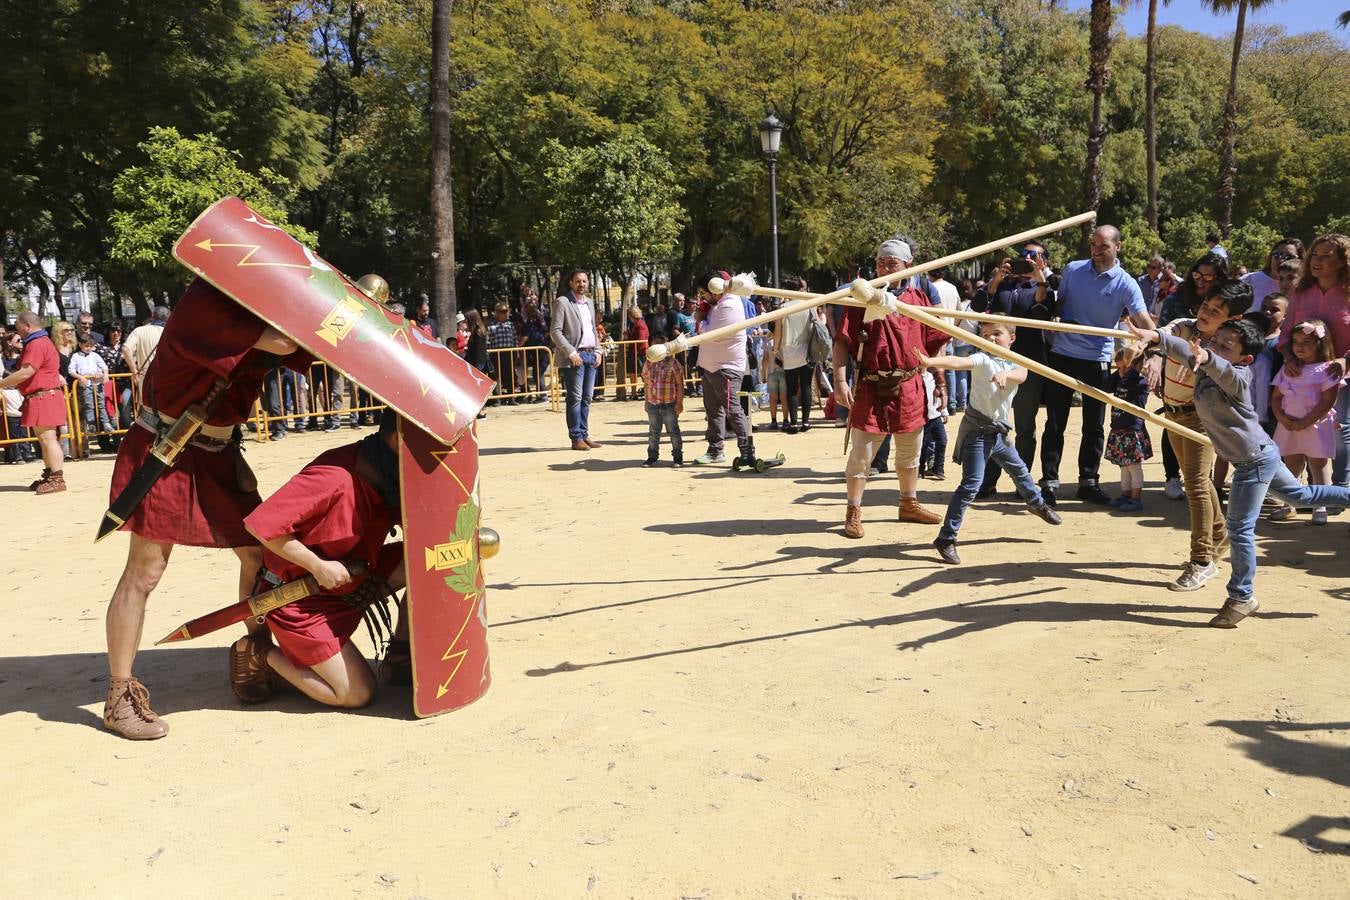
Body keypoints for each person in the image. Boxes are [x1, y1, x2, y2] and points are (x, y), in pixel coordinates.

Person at [100, 279, 308, 739]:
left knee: (259, 555)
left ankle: (253, 658)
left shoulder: (250, 303)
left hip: (219, 454)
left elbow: (308, 348)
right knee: (144, 572)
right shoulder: (205, 303)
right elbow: (283, 340)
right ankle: (117, 697)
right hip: (166, 450)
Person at [1127, 316, 1350, 628]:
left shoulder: (1239, 376)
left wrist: (1206, 356)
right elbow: (1183, 350)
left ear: (1245, 358)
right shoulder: (1204, 363)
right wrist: (1154, 336)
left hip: (1252, 461)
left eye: (1224, 346)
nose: (1212, 347)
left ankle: (1241, 597)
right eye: (1214, 341)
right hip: (1261, 454)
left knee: (1240, 529)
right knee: (1302, 494)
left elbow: (1221, 368)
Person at [235, 411, 407, 707]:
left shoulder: (389, 474)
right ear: (399, 438)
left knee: (427, 562)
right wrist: (318, 566)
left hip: (353, 580)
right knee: (356, 693)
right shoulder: (334, 477)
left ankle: (401, 655)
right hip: (300, 600)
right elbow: (260, 526)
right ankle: (260, 655)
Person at [918, 321, 1062, 565]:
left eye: (997, 333)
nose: (991, 339)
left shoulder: (1016, 362)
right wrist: (930, 362)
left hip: (999, 434)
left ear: (1012, 338)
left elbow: (1021, 375)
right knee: (971, 485)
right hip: (978, 432)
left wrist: (1006, 373)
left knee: (1019, 470)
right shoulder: (982, 360)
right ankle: (946, 538)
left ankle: (1037, 504)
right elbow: (958, 362)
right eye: (985, 335)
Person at [834, 239, 949, 538]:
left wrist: (940, 380)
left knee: (911, 452)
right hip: (871, 385)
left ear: (908, 265)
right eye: (880, 262)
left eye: (891, 263)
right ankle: (853, 509)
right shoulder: (860, 297)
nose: (884, 267)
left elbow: (935, 343)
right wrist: (839, 379)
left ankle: (908, 503)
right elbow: (842, 342)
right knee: (862, 455)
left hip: (910, 384)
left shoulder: (919, 299)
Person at [1141, 283, 1246, 591]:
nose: (1205, 314)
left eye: (1215, 312)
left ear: (1232, 318)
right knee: (1192, 478)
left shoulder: (1224, 348)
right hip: (1173, 412)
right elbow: (1164, 336)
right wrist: (1152, 353)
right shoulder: (1185, 327)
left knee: (1197, 484)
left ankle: (1201, 561)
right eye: (1204, 307)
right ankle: (1219, 533)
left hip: (1201, 418)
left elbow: (1216, 368)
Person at [1039, 225, 1154, 507]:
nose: (1096, 251)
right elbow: (1059, 304)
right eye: (1093, 245)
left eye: (1103, 246)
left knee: (1095, 424)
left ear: (1118, 246)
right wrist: (1056, 317)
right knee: (1055, 422)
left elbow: (1144, 322)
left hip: (1096, 359)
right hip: (1062, 354)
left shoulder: (1126, 283)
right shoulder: (1073, 269)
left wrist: (1154, 346)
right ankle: (1049, 482)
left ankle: (1088, 481)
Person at [970, 242, 1053, 497]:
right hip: (995, 363)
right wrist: (995, 280)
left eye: (1033, 256)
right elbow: (977, 307)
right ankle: (988, 481)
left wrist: (1040, 280)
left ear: (1044, 261)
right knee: (992, 423)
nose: (1026, 259)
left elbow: (1042, 312)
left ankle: (1022, 483)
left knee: (1025, 426)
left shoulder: (1044, 287)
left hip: (1028, 361)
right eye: (1022, 255)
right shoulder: (1003, 286)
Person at [1277, 234, 1349, 488]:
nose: (1317, 261)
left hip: (1342, 375)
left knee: (1341, 430)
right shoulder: (1302, 292)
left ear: (1342, 261)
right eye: (1315, 255)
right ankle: (1308, 492)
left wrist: (1344, 360)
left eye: (1326, 256)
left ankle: (1341, 489)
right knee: (1304, 430)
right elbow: (1285, 333)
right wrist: (1288, 358)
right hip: (1302, 376)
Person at [1271, 319, 1341, 525]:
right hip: (1289, 424)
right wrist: (1282, 418)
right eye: (1295, 342)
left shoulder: (1328, 369)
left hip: (1315, 425)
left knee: (1318, 465)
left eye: (1306, 342)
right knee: (1291, 464)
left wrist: (1306, 422)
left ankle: (1320, 506)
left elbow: (1329, 400)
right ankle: (1289, 504)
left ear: (1321, 343)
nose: (1299, 347)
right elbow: (1275, 397)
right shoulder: (1288, 368)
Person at [692, 270, 758, 467]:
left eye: (704, 293)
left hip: (727, 368)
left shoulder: (729, 304)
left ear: (714, 289)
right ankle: (715, 450)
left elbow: (708, 333)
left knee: (734, 410)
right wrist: (703, 312)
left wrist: (700, 318)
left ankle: (747, 451)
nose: (702, 297)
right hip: (710, 366)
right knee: (713, 411)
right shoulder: (716, 304)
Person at [0, 312, 68, 491]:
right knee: (44, 438)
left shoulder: (36, 344)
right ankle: (50, 475)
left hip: (43, 395)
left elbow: (26, 371)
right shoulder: (40, 342)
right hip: (42, 395)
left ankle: (57, 478)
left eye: (17, 325)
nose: (16, 329)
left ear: (27, 326)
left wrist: (2, 383)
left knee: (48, 438)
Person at [551, 270, 604, 450]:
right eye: (578, 281)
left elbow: (593, 330)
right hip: (575, 356)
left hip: (591, 355)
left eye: (584, 281)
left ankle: (584, 433)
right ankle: (576, 437)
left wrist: (598, 350)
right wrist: (570, 352)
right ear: (571, 283)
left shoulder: (589, 302)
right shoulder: (562, 302)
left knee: (587, 397)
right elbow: (555, 331)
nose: (581, 284)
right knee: (575, 397)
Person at [1103, 346, 1151, 512]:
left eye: (1126, 367)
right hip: (1118, 427)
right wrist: (1120, 371)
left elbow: (1129, 382)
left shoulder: (1140, 382)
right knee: (1123, 465)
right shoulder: (1120, 379)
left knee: (1134, 466)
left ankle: (1136, 498)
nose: (1122, 371)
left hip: (1132, 429)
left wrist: (1130, 369)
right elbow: (1106, 386)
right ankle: (1125, 494)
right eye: (1119, 367)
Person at [773, 276, 813, 433]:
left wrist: (776, 351)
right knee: (806, 385)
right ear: (800, 288)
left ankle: (794, 423)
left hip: (789, 350)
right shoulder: (810, 304)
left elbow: (778, 332)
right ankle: (806, 422)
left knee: (791, 388)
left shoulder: (782, 308)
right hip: (808, 349)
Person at [641, 332, 684, 467]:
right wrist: (647, 401)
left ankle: (677, 457)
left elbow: (680, 384)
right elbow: (647, 383)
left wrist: (679, 402)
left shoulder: (673, 363)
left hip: (669, 404)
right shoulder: (648, 364)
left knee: (673, 431)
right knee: (653, 432)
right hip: (653, 403)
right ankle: (652, 457)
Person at [69, 333, 114, 451]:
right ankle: (92, 424)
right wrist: (80, 377)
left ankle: (106, 423)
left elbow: (104, 366)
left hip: (97, 384)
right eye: (86, 346)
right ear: (80, 345)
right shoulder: (76, 357)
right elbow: (71, 370)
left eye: (90, 346)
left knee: (101, 404)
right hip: (86, 384)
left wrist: (105, 375)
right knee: (89, 405)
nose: (88, 348)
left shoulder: (95, 355)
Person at [122, 305, 169, 411]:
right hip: (167, 378)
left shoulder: (139, 331)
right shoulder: (170, 333)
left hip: (145, 377)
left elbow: (126, 349)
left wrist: (134, 371)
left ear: (152, 316)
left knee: (146, 412)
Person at [1242, 238, 1302, 312]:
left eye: (1289, 257)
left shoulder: (1306, 291)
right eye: (1277, 255)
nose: (1281, 260)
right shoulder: (1249, 279)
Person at [917, 368, 947, 481]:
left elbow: (941, 395)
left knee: (942, 441)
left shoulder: (933, 377)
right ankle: (919, 470)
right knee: (922, 445)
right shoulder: (915, 377)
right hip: (922, 418)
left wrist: (944, 411)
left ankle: (938, 468)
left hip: (935, 415)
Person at [487, 301, 518, 405]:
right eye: (502, 311)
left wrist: (516, 352)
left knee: (510, 375)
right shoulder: (491, 326)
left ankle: (512, 397)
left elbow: (514, 339)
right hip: (495, 353)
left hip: (509, 353)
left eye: (506, 311)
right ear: (496, 313)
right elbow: (488, 341)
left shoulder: (510, 325)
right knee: (496, 376)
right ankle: (497, 398)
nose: (505, 313)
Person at [761, 332, 784, 430]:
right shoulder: (784, 341)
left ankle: (774, 421)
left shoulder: (768, 342)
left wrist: (763, 375)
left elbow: (765, 360)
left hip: (771, 373)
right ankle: (786, 420)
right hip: (784, 372)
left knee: (773, 398)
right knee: (784, 398)